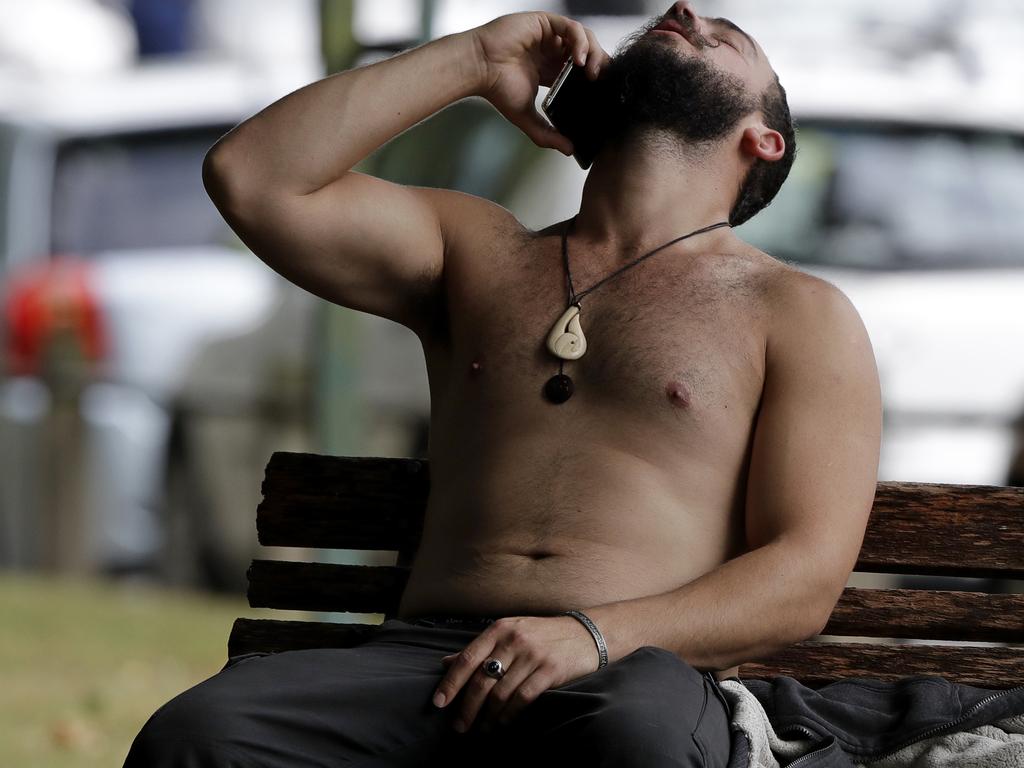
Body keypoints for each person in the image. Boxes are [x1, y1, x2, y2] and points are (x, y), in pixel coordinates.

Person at [125, 1, 882, 765]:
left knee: (637, 742)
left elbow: (803, 577)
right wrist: (476, 60)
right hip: (427, 664)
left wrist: (593, 636)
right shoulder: (475, 251)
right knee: (196, 738)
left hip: (635, 671)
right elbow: (250, 177)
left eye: (728, 38)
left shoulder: (796, 312)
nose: (683, 7)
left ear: (763, 139)